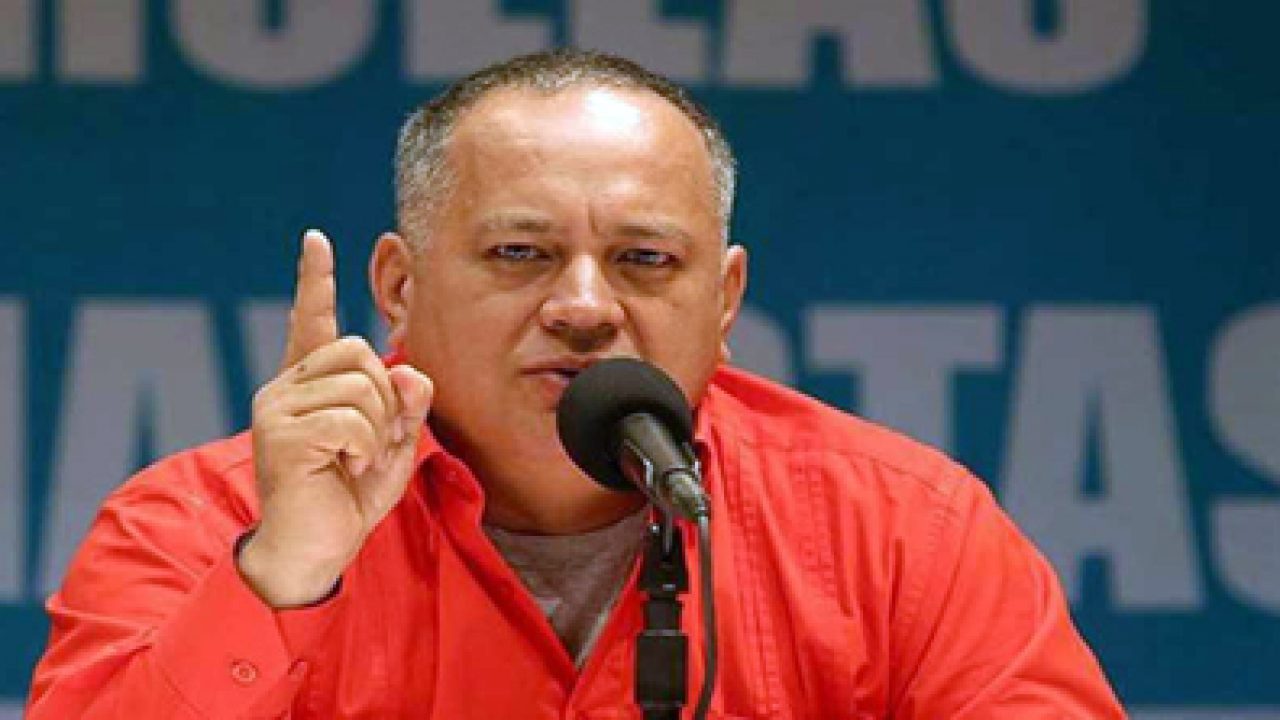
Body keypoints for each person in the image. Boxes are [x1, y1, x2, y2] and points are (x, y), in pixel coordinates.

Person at [27, 49, 1124, 718]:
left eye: (645, 259)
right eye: (520, 254)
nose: (587, 305)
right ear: (398, 285)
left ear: (725, 300)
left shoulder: (904, 535)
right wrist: (282, 579)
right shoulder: (200, 523)